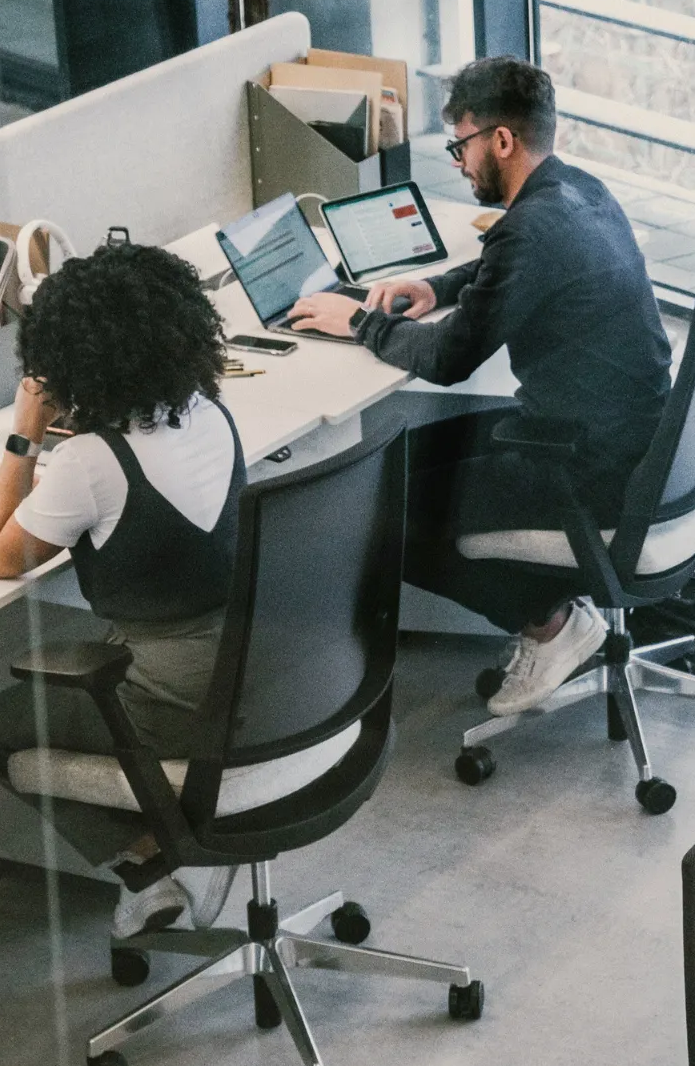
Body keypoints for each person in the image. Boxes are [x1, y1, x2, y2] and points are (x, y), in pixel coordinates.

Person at [286, 56, 673, 716]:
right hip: (633, 440)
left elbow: (448, 358)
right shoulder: (578, 190)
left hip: (587, 465)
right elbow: (508, 264)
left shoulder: (529, 229)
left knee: (379, 511)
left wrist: (359, 322)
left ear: (501, 140)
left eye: (460, 145)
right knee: (393, 463)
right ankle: (554, 606)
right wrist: (433, 286)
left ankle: (550, 626)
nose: (459, 162)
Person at [0, 243, 245, 938]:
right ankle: (167, 839)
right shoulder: (210, 412)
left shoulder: (91, 462)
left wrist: (24, 435)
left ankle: (151, 860)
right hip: (250, 674)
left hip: (170, 703)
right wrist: (40, 481)